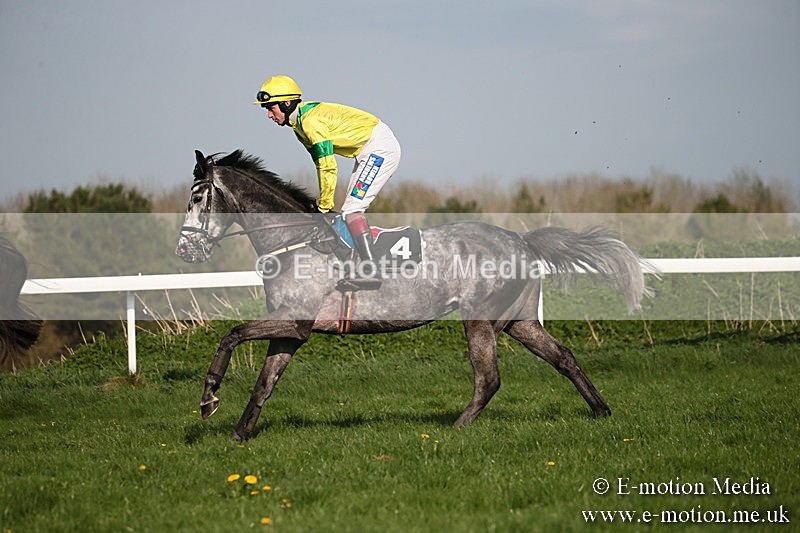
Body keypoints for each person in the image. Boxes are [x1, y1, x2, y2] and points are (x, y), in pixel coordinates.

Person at [254, 75, 401, 287]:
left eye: (271, 108)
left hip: (379, 148)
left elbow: (328, 166)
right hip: (367, 150)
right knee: (348, 211)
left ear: (286, 104)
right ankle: (359, 263)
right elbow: (320, 164)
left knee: (351, 210)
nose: (269, 114)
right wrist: (324, 202)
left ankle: (371, 270)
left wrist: (324, 204)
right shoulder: (299, 127)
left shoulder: (310, 123)